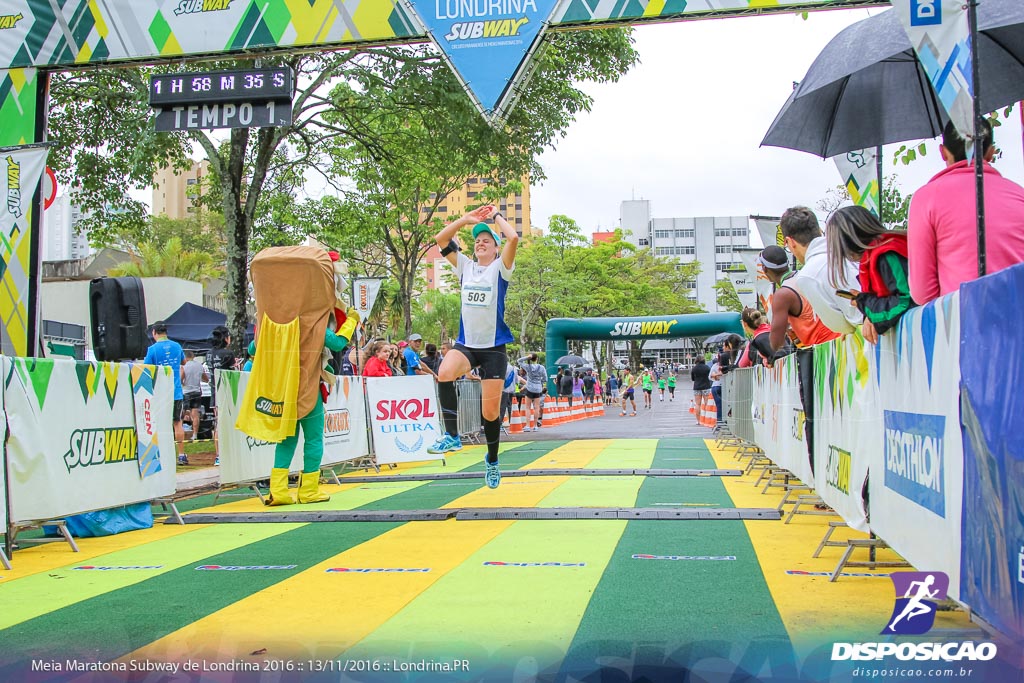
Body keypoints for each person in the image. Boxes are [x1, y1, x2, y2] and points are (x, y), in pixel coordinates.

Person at [237, 247, 360, 506]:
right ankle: (308, 490)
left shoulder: (269, 322)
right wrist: (351, 320)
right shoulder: (312, 322)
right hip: (307, 388)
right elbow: (337, 343)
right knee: (314, 439)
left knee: (286, 440)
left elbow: (252, 349)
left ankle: (279, 491)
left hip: (280, 390)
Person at [427, 205, 519, 490]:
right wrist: (465, 220)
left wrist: (496, 218)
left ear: (495, 249)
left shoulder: (500, 269)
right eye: (477, 240)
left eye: (487, 240)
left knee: (489, 414)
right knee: (444, 372)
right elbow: (441, 240)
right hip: (466, 344)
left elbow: (513, 238)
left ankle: (492, 460)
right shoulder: (465, 266)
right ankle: (452, 435)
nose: (480, 243)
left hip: (493, 348)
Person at [909, 119, 1024, 304]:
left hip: (966, 322)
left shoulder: (925, 199)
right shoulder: (1019, 194)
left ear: (942, 152)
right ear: (991, 152)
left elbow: (923, 294)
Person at [826, 205, 917, 343]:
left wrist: (864, 302)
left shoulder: (887, 254)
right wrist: (868, 313)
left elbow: (907, 300)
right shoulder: (878, 254)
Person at [780, 205, 863, 335]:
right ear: (819, 230)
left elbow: (840, 326)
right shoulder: (850, 249)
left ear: (790, 242)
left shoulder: (808, 276)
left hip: (873, 336)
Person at [760, 245, 841, 353]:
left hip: (823, 352)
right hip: (843, 341)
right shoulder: (806, 275)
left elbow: (776, 342)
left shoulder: (782, 295)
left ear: (764, 269)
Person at [144, 322, 187, 464]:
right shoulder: (177, 346)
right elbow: (184, 362)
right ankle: (181, 455)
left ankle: (163, 454)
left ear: (154, 332)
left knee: (160, 424)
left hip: (159, 393)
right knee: (177, 423)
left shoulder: (152, 349)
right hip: (176, 392)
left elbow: (146, 368)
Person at [181, 350, 208, 442]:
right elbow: (206, 379)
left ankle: (179, 432)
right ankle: (195, 435)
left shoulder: (184, 366)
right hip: (197, 391)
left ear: (185, 357)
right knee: (195, 414)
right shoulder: (199, 366)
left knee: (182, 413)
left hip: (186, 392)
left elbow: (181, 378)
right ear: (193, 356)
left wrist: (183, 383)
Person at [517, 353, 547, 432]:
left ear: (530, 359)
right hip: (538, 389)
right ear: (537, 359)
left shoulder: (528, 367)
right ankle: (535, 426)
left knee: (528, 407)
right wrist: (539, 382)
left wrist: (527, 357)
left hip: (529, 388)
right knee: (537, 407)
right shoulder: (542, 367)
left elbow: (519, 361)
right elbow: (545, 379)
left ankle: (527, 426)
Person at [709, 358, 723, 423]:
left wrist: (715, 375)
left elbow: (710, 376)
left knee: (719, 406)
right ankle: (721, 422)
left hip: (715, 386)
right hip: (721, 386)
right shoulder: (727, 364)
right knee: (723, 405)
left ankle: (719, 421)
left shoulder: (715, 365)